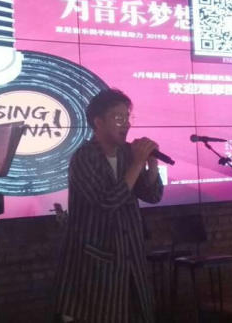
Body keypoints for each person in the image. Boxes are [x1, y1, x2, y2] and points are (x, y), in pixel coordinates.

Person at [54, 88, 163, 323]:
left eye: (128, 117)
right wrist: (137, 163)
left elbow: (152, 195)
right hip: (95, 266)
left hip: (130, 257)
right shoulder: (84, 157)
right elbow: (107, 201)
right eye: (118, 118)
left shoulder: (126, 154)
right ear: (98, 122)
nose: (126, 124)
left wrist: (152, 164)